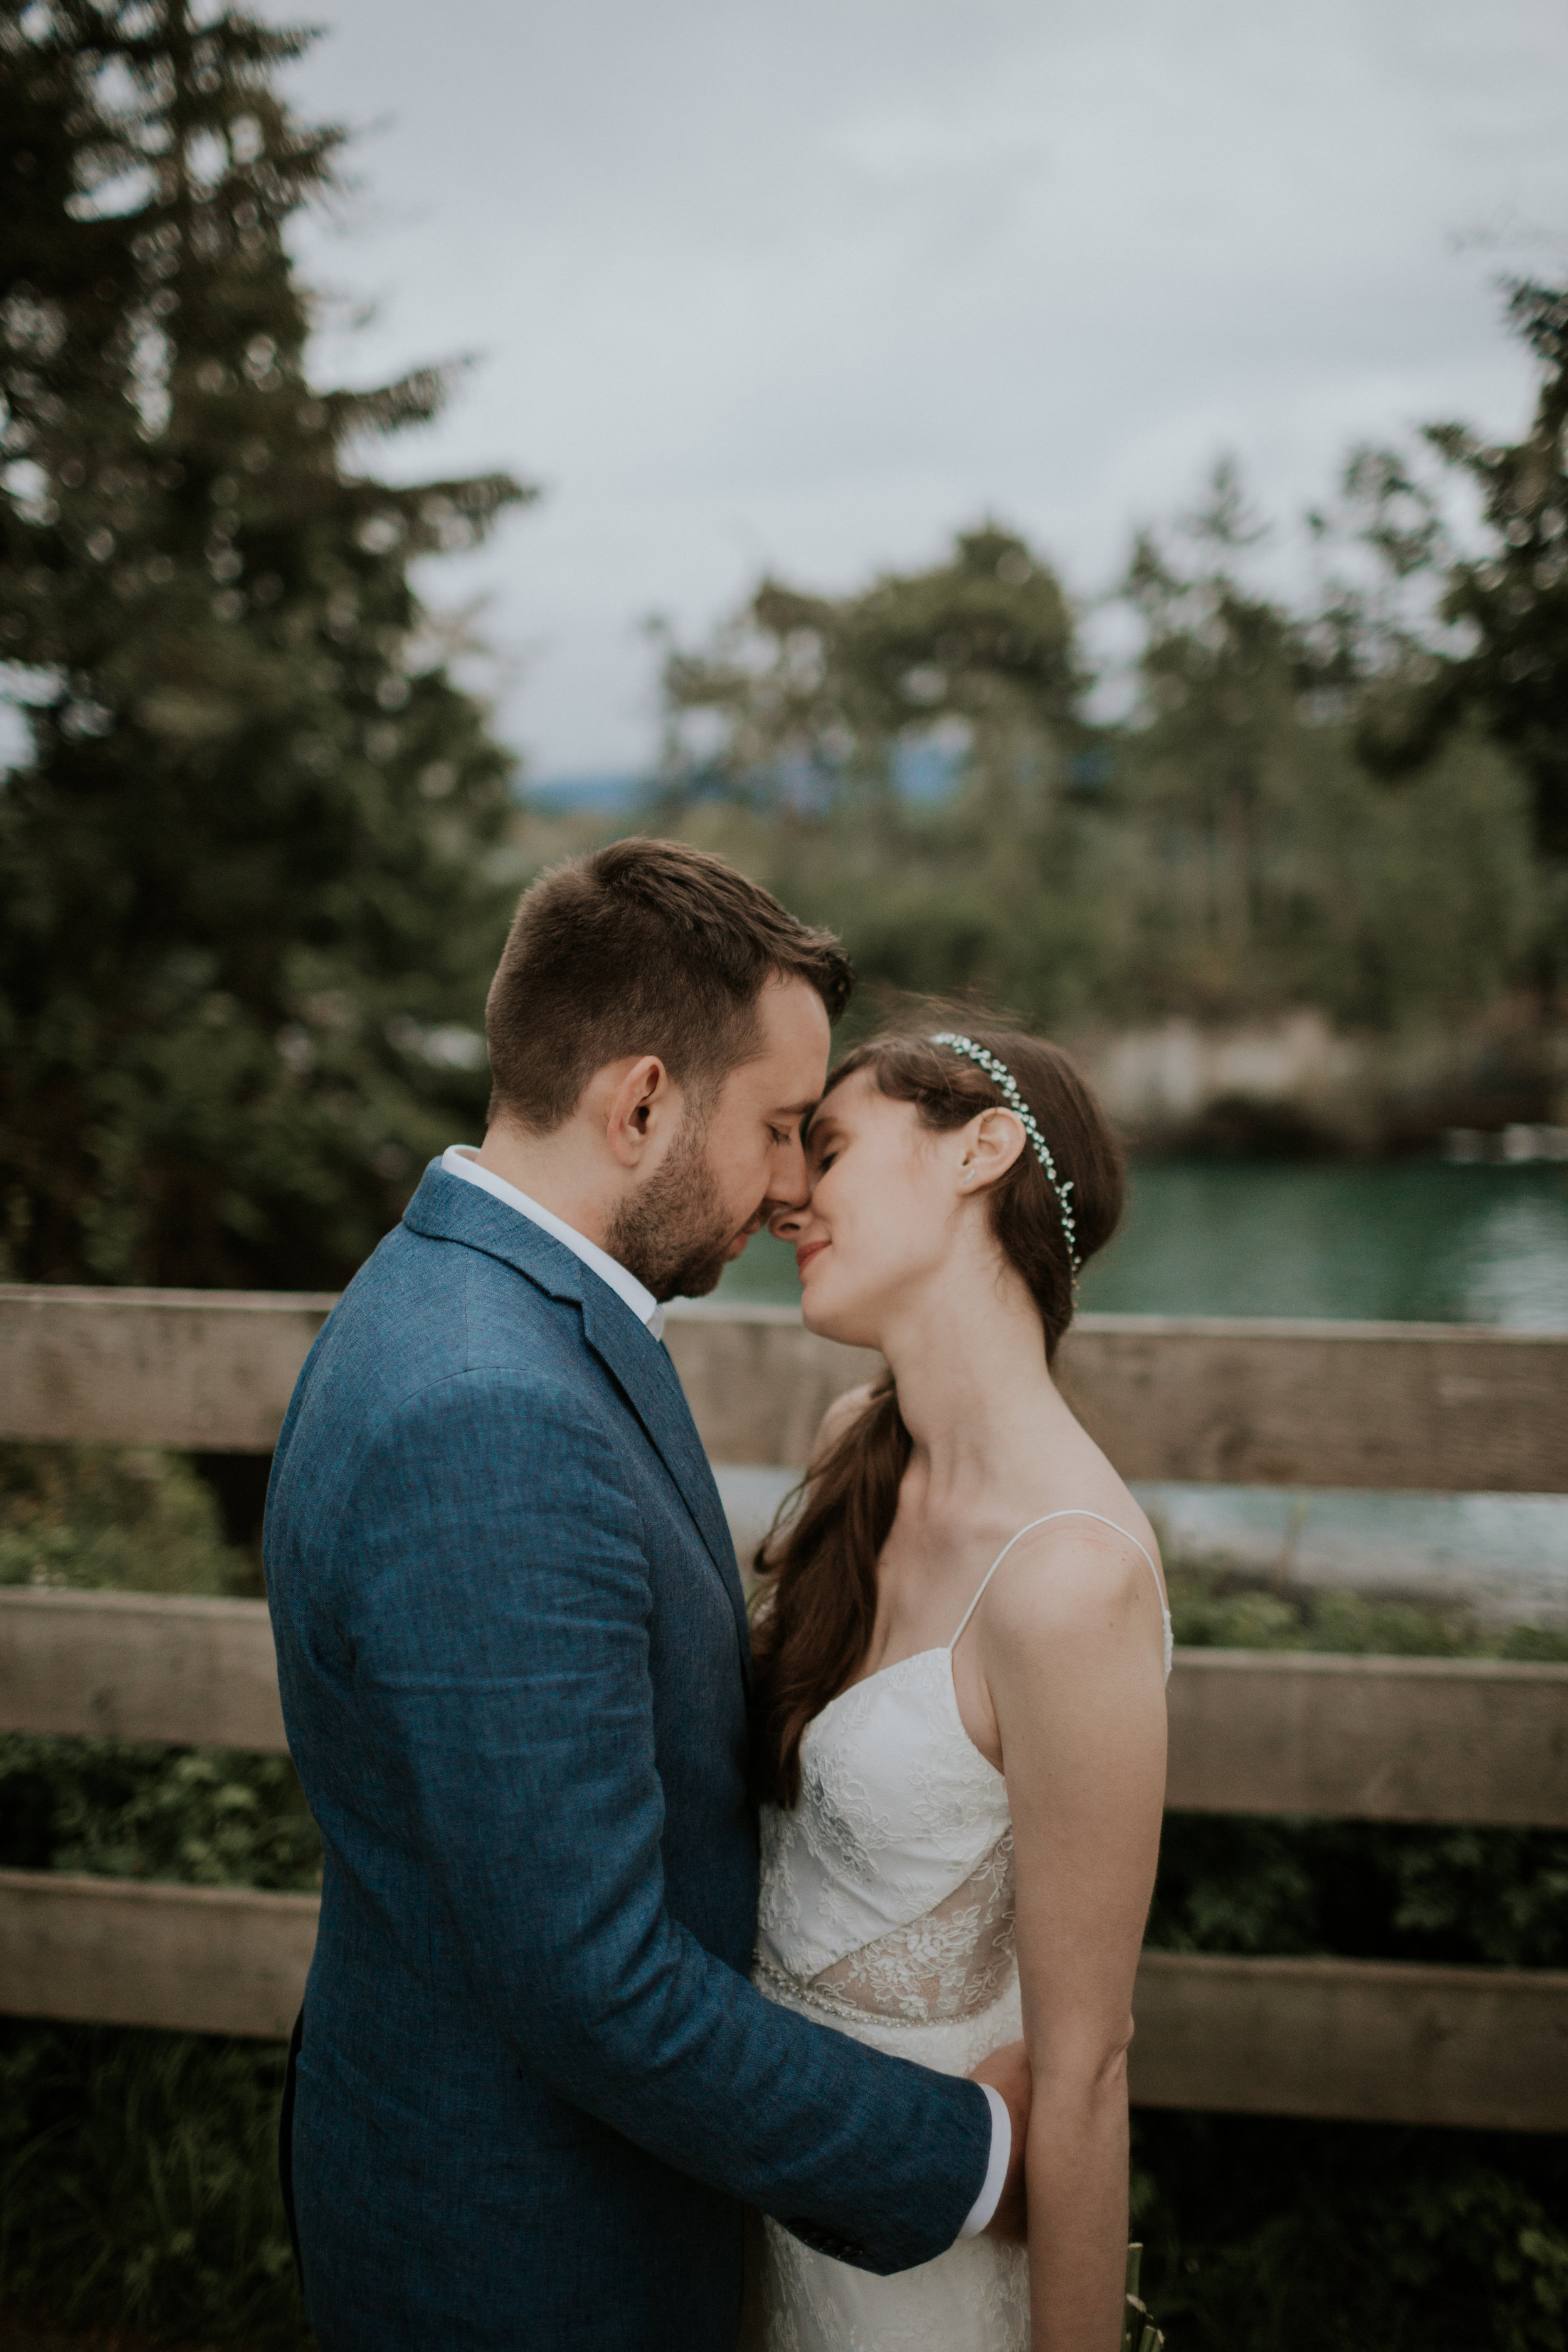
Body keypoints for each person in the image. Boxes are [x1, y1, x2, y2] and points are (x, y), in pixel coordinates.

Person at [263, 841, 1030, 2352]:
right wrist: (972, 2157)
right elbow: (593, 1985)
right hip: (524, 2255)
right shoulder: (492, 1409)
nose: (793, 1184)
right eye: (776, 1128)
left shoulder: (468, 1293)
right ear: (637, 1105)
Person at [749, 1027, 1171, 2351]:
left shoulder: (1067, 1583)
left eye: (828, 1150)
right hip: (754, 2170)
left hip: (919, 2246)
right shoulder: (851, 1453)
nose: (786, 1200)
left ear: (979, 1149)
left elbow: (1084, 2069)